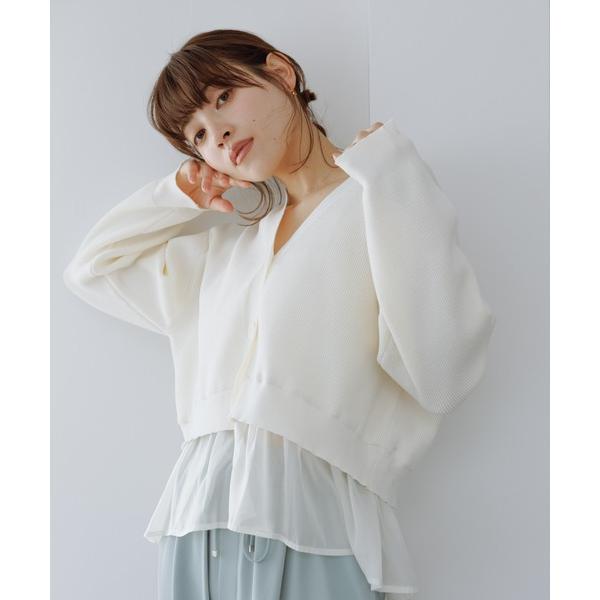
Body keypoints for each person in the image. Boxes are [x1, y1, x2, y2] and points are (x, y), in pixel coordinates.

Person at [63, 29, 496, 600]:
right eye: (197, 135)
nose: (217, 133)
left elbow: (443, 372)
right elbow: (91, 270)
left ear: (281, 74)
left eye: (223, 97)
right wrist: (177, 194)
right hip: (199, 523)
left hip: (319, 523)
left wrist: (392, 174)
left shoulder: (380, 197)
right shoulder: (226, 250)